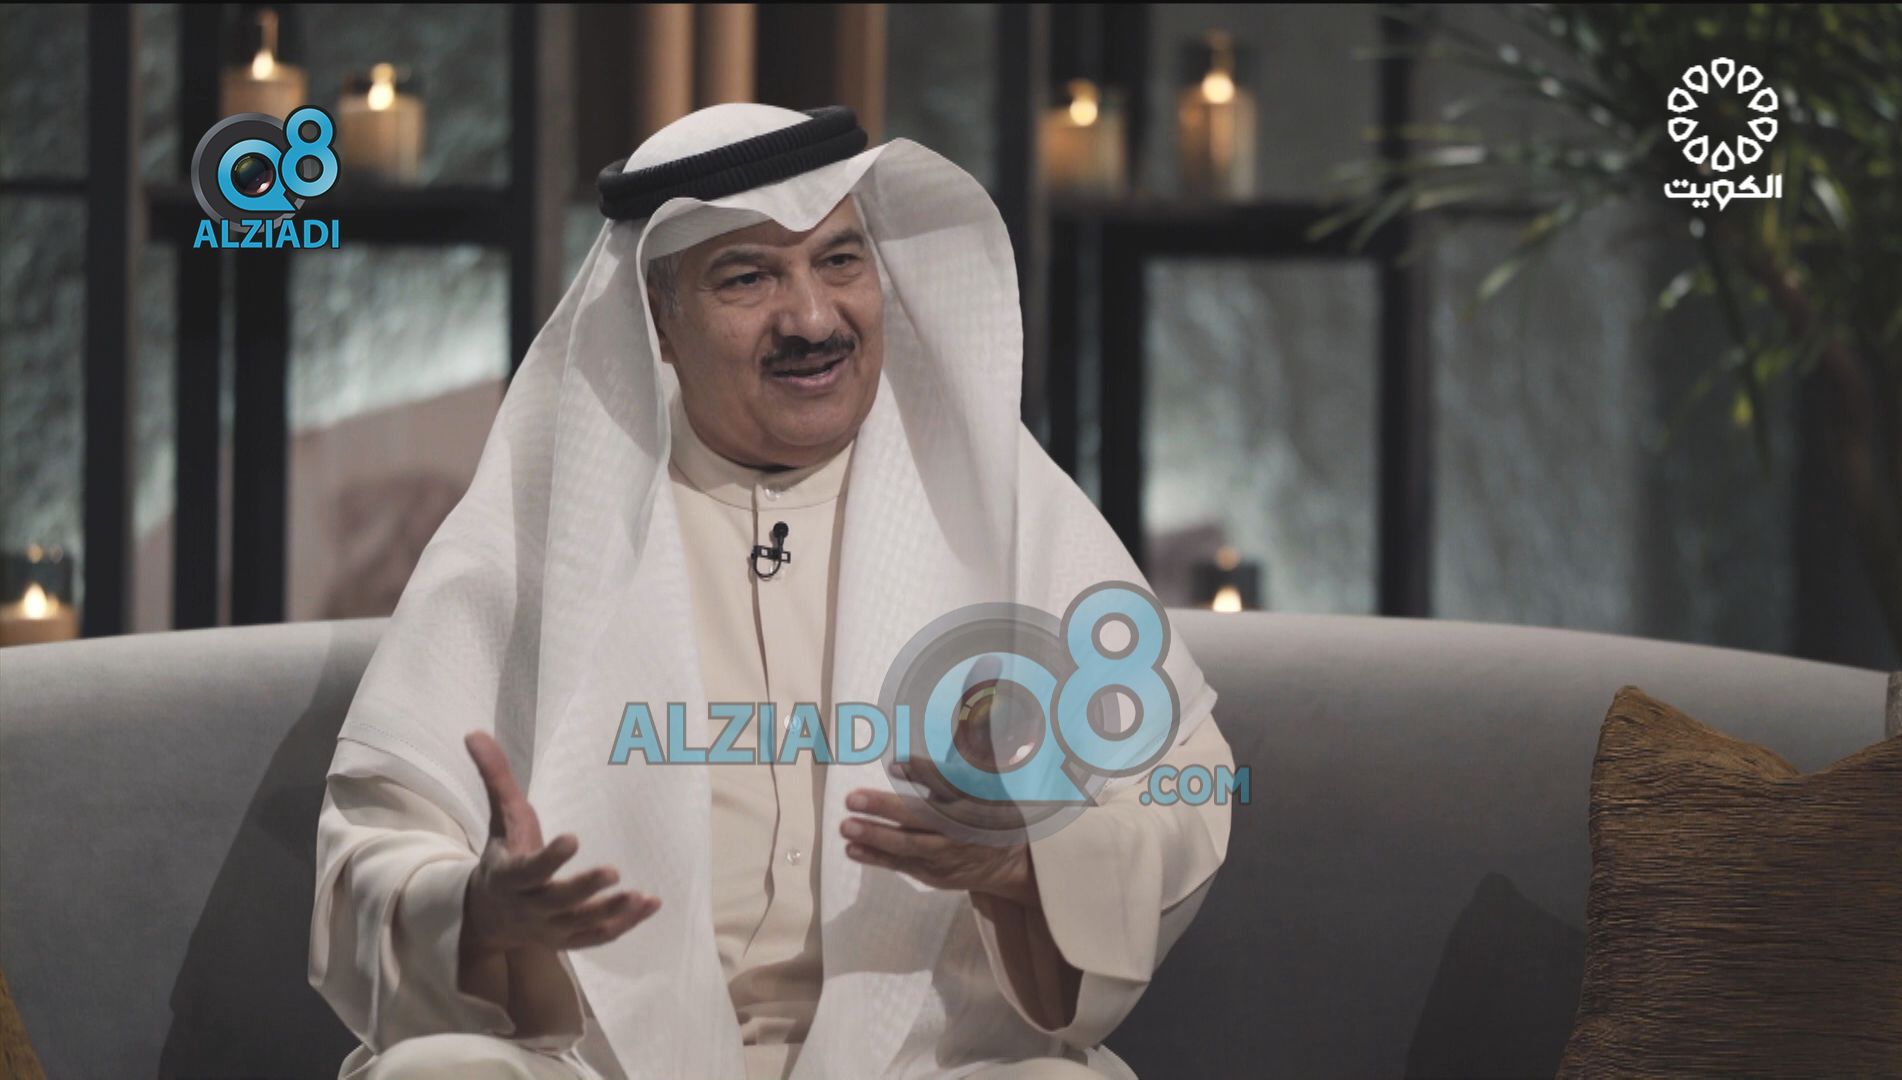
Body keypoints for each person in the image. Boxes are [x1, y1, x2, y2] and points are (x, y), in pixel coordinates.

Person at [308, 103, 1235, 1080]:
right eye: (748, 278)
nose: (812, 319)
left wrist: (1024, 863)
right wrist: (480, 913)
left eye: (840, 261)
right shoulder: (541, 535)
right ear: (658, 319)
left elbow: (1182, 788)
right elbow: (373, 853)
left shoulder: (1002, 505)